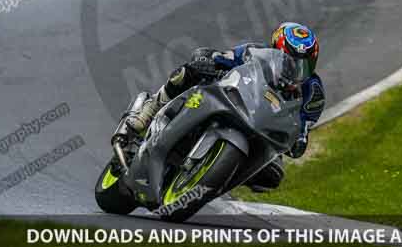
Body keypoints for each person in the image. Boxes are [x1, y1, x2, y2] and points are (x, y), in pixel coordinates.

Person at [125, 22, 325, 192]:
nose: (297, 71)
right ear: (275, 50)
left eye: (304, 66)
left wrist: (298, 141)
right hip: (232, 100)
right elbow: (221, 57)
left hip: (264, 131)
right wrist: (206, 60)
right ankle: (150, 109)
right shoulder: (254, 52)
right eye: (290, 63)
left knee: (272, 177)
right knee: (186, 74)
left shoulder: (313, 92)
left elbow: (303, 129)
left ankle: (222, 172)